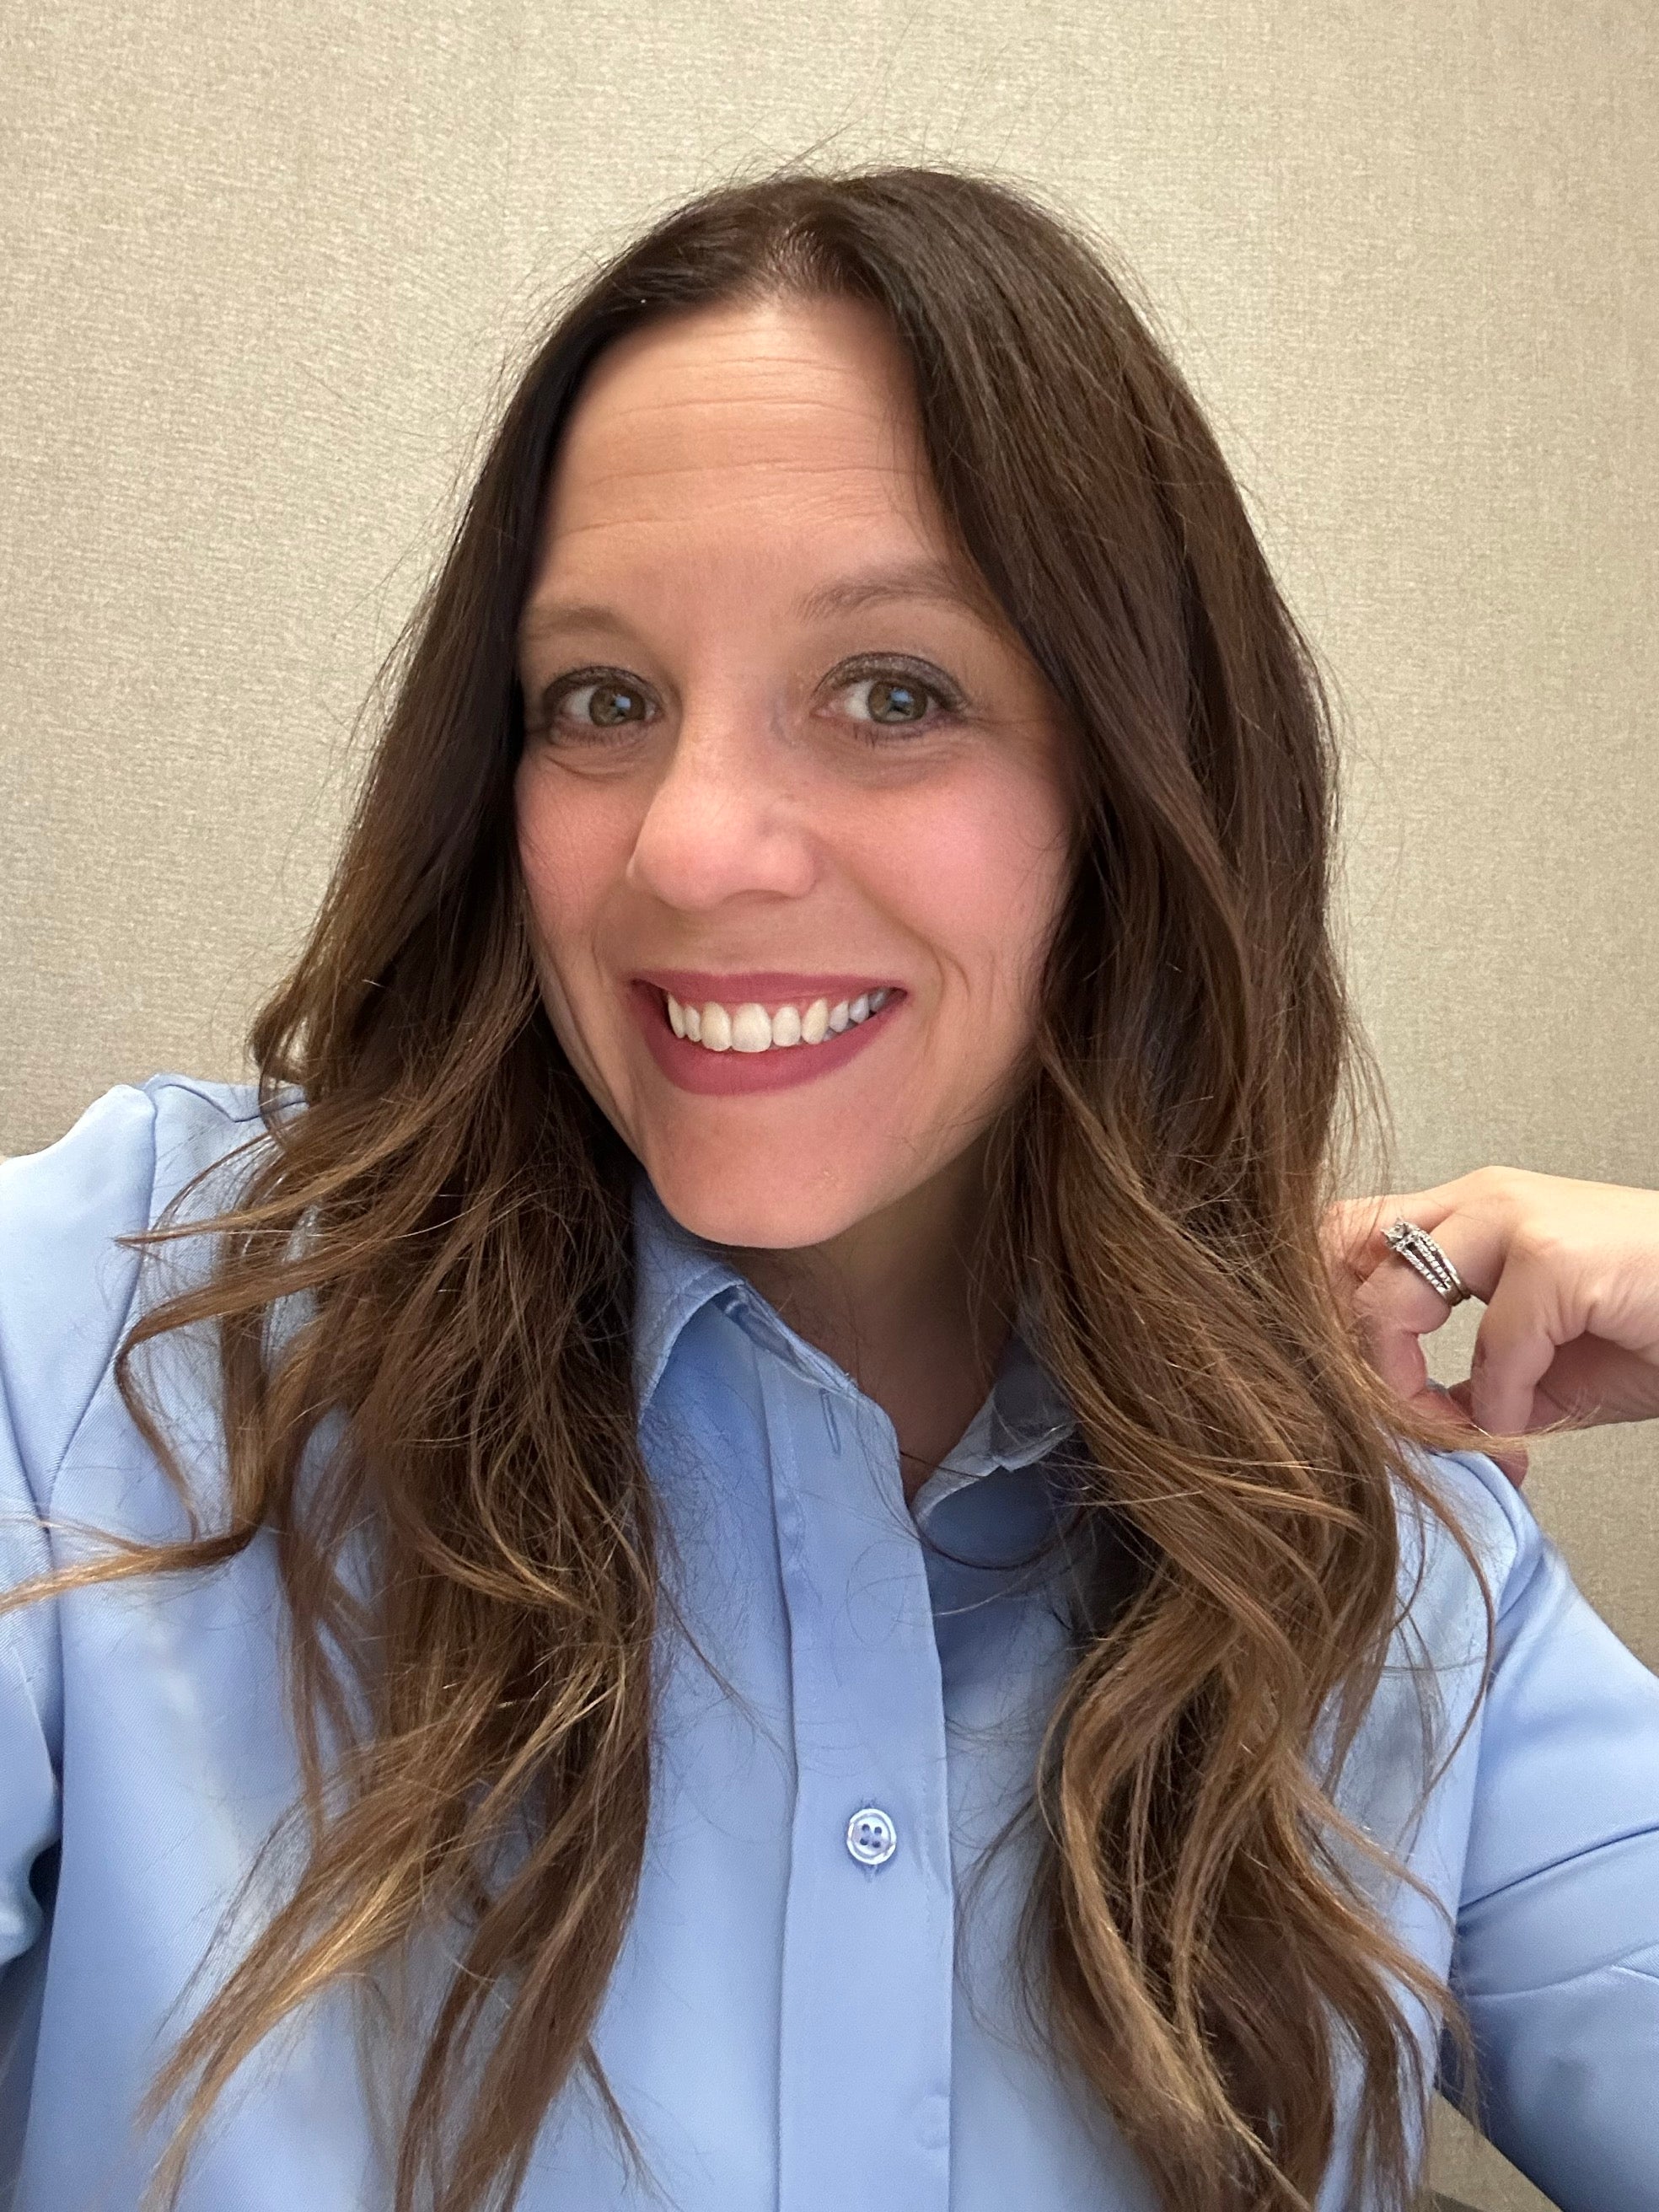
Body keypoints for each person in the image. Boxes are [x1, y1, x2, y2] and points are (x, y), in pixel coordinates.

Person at [0, 164, 1654, 2212]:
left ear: (1134, 792)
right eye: (601, 698)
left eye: (895, 693)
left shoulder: (1382, 1576)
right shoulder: (119, 1340)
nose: (689, 848)